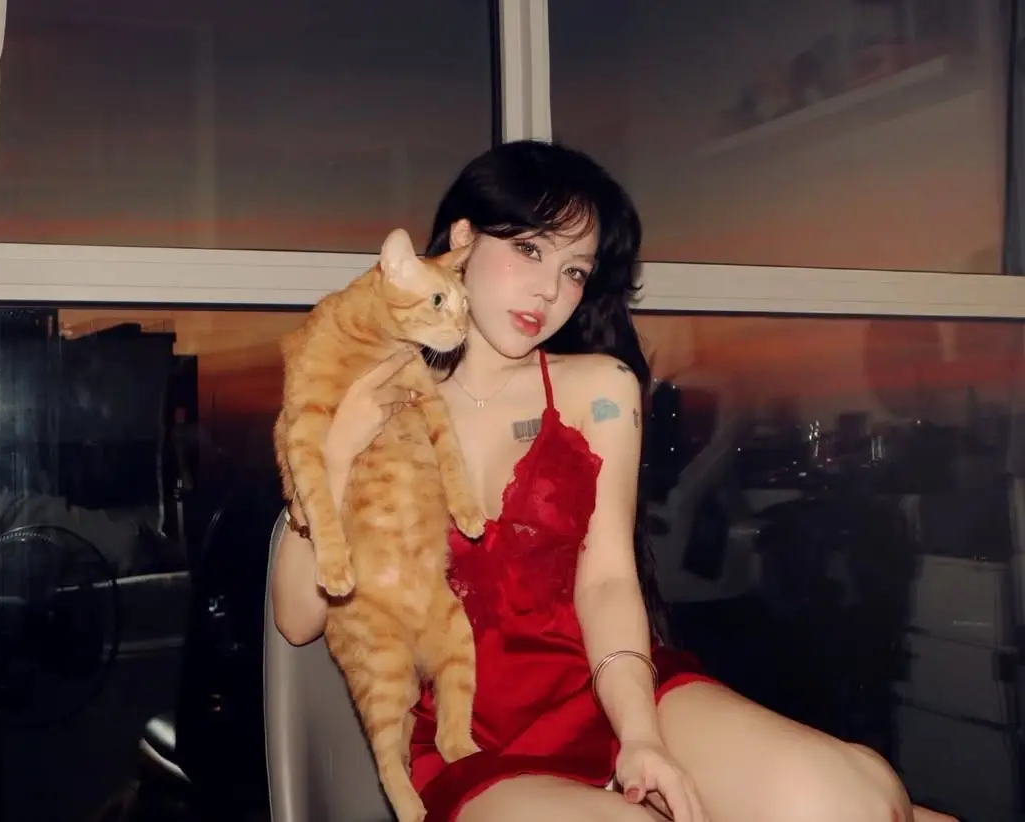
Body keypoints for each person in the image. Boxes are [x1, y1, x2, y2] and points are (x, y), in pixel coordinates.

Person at [271, 140, 954, 822]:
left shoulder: (599, 389)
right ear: (462, 239)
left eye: (574, 270)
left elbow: (606, 581)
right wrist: (336, 452)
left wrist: (640, 736)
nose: (550, 291)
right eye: (530, 250)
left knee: (840, 802)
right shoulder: (371, 396)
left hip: (610, 687)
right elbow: (297, 622)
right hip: (469, 742)